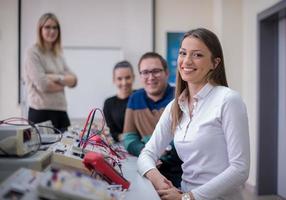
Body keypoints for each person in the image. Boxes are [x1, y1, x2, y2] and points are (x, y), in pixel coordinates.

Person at [137, 28, 250, 200]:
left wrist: (189, 197)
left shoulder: (228, 100)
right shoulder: (175, 106)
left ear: (215, 63)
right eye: (183, 53)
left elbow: (240, 169)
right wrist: (159, 181)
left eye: (197, 55)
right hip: (183, 193)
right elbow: (147, 154)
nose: (187, 61)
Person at [123, 52, 183, 187]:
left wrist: (163, 151)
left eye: (156, 71)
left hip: (179, 171)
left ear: (166, 73)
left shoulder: (180, 96)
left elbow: (186, 136)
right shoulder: (135, 98)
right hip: (148, 167)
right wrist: (148, 153)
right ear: (140, 75)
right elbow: (129, 138)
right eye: (145, 72)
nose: (150, 77)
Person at [24, 13, 77, 132]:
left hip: (61, 112)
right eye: (47, 27)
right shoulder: (32, 52)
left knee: (65, 149)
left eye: (55, 27)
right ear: (40, 29)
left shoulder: (58, 54)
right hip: (41, 113)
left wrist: (55, 77)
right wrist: (64, 82)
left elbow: (74, 80)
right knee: (42, 150)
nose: (52, 31)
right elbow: (43, 85)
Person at [103, 60, 135, 142]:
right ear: (114, 80)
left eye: (127, 78)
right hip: (120, 146)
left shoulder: (141, 96)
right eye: (119, 79)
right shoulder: (108, 103)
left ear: (133, 77)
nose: (124, 82)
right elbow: (113, 133)